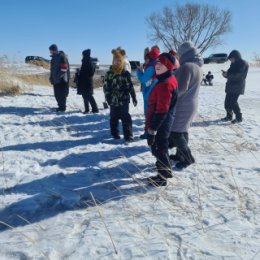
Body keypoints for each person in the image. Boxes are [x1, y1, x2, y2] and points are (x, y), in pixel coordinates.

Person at [168, 41, 203, 169]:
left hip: (183, 104)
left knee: (176, 132)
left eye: (179, 52)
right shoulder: (197, 66)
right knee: (183, 131)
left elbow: (181, 89)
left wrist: (169, 97)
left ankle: (188, 158)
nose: (177, 55)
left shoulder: (186, 66)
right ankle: (179, 155)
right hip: (191, 103)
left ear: (183, 53)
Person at [145, 52, 178, 186]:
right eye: (157, 63)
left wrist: (152, 130)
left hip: (160, 123)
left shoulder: (165, 84)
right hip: (165, 121)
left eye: (161, 63)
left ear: (168, 66)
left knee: (159, 148)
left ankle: (162, 177)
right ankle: (165, 169)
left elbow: (161, 111)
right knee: (161, 147)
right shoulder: (168, 78)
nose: (157, 65)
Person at [103, 48, 137, 142]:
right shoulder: (109, 73)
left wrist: (133, 96)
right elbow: (106, 87)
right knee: (114, 117)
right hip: (113, 99)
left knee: (125, 117)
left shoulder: (125, 73)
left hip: (124, 99)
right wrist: (108, 97)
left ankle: (128, 135)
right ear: (113, 61)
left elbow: (130, 86)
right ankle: (115, 133)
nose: (117, 62)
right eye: (115, 61)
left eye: (119, 61)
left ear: (122, 61)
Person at [136, 47, 159, 139]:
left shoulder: (151, 68)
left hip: (149, 95)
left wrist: (139, 71)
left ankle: (148, 134)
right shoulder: (157, 65)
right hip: (153, 93)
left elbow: (143, 79)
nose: (145, 59)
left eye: (146, 58)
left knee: (149, 114)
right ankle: (152, 133)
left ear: (150, 58)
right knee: (153, 114)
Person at [221, 50, 248, 123]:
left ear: (236, 57)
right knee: (227, 103)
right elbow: (229, 74)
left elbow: (239, 76)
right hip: (230, 86)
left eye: (231, 59)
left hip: (238, 86)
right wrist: (225, 74)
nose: (230, 60)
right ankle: (229, 116)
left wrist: (228, 75)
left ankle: (239, 118)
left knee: (233, 102)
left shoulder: (243, 63)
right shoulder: (233, 64)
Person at [49, 44, 70, 112]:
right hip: (56, 80)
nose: (50, 52)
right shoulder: (54, 58)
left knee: (61, 95)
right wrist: (51, 77)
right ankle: (60, 106)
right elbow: (52, 69)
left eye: (51, 50)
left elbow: (64, 69)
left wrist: (57, 76)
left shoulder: (61, 57)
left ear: (54, 50)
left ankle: (62, 108)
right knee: (57, 94)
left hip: (61, 80)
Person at [78, 49, 99, 114]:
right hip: (85, 81)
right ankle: (87, 109)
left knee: (88, 96)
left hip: (86, 82)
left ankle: (95, 109)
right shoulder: (86, 61)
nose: (82, 56)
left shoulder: (88, 61)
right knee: (84, 96)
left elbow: (91, 72)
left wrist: (82, 75)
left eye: (83, 54)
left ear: (85, 55)